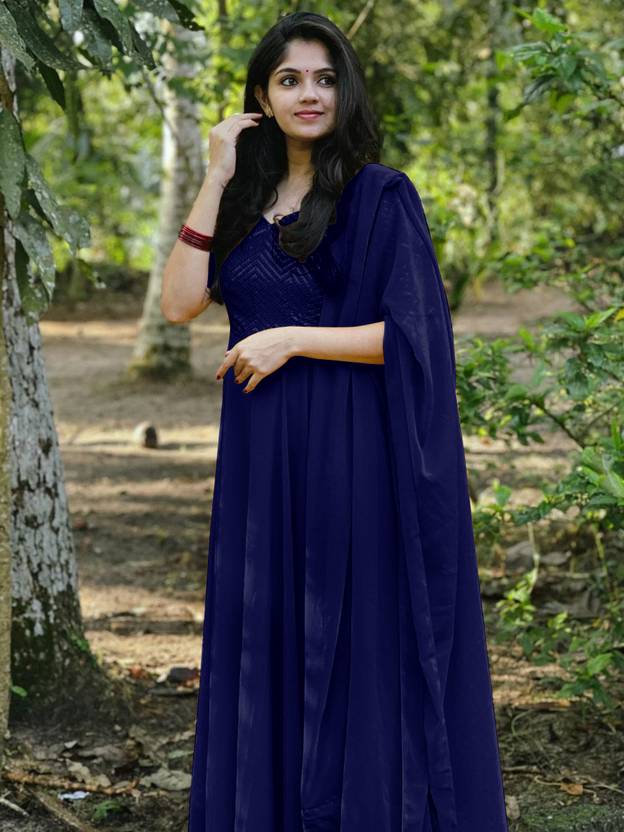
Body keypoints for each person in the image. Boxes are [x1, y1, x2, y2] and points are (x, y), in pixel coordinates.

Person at [161, 11, 509, 832]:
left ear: (344, 91)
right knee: (268, 640)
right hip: (259, 463)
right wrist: (215, 173)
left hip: (350, 455)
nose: (309, 94)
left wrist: (291, 338)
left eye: (324, 78)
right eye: (290, 80)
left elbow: (417, 336)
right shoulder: (243, 202)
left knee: (348, 640)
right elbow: (179, 304)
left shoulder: (379, 196)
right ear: (262, 97)